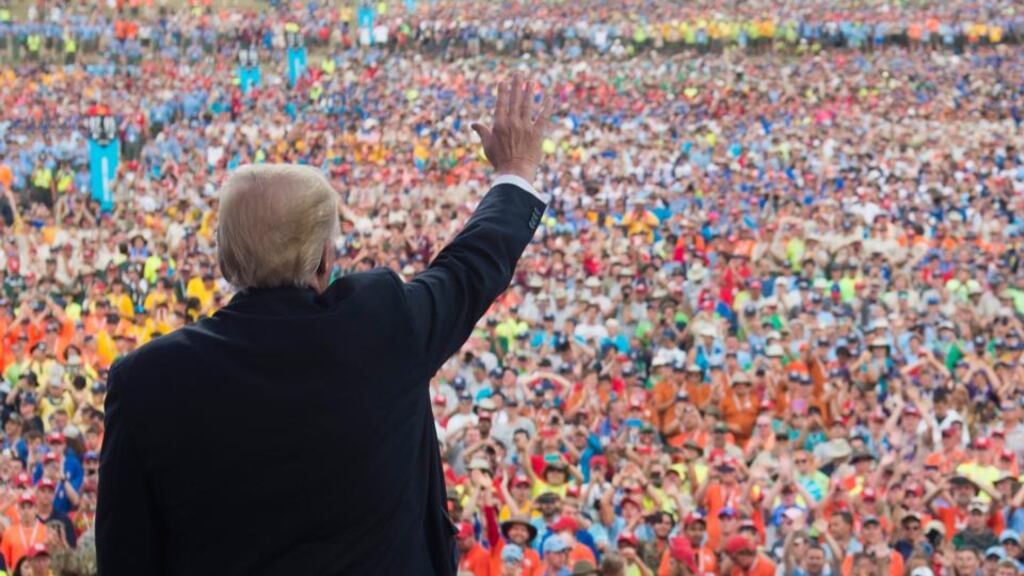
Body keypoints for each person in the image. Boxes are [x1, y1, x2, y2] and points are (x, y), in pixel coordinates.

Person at [96, 75, 553, 575]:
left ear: (226, 261)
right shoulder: (381, 324)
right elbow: (469, 268)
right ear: (323, 259)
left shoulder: (145, 380)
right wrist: (515, 170)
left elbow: (125, 558)